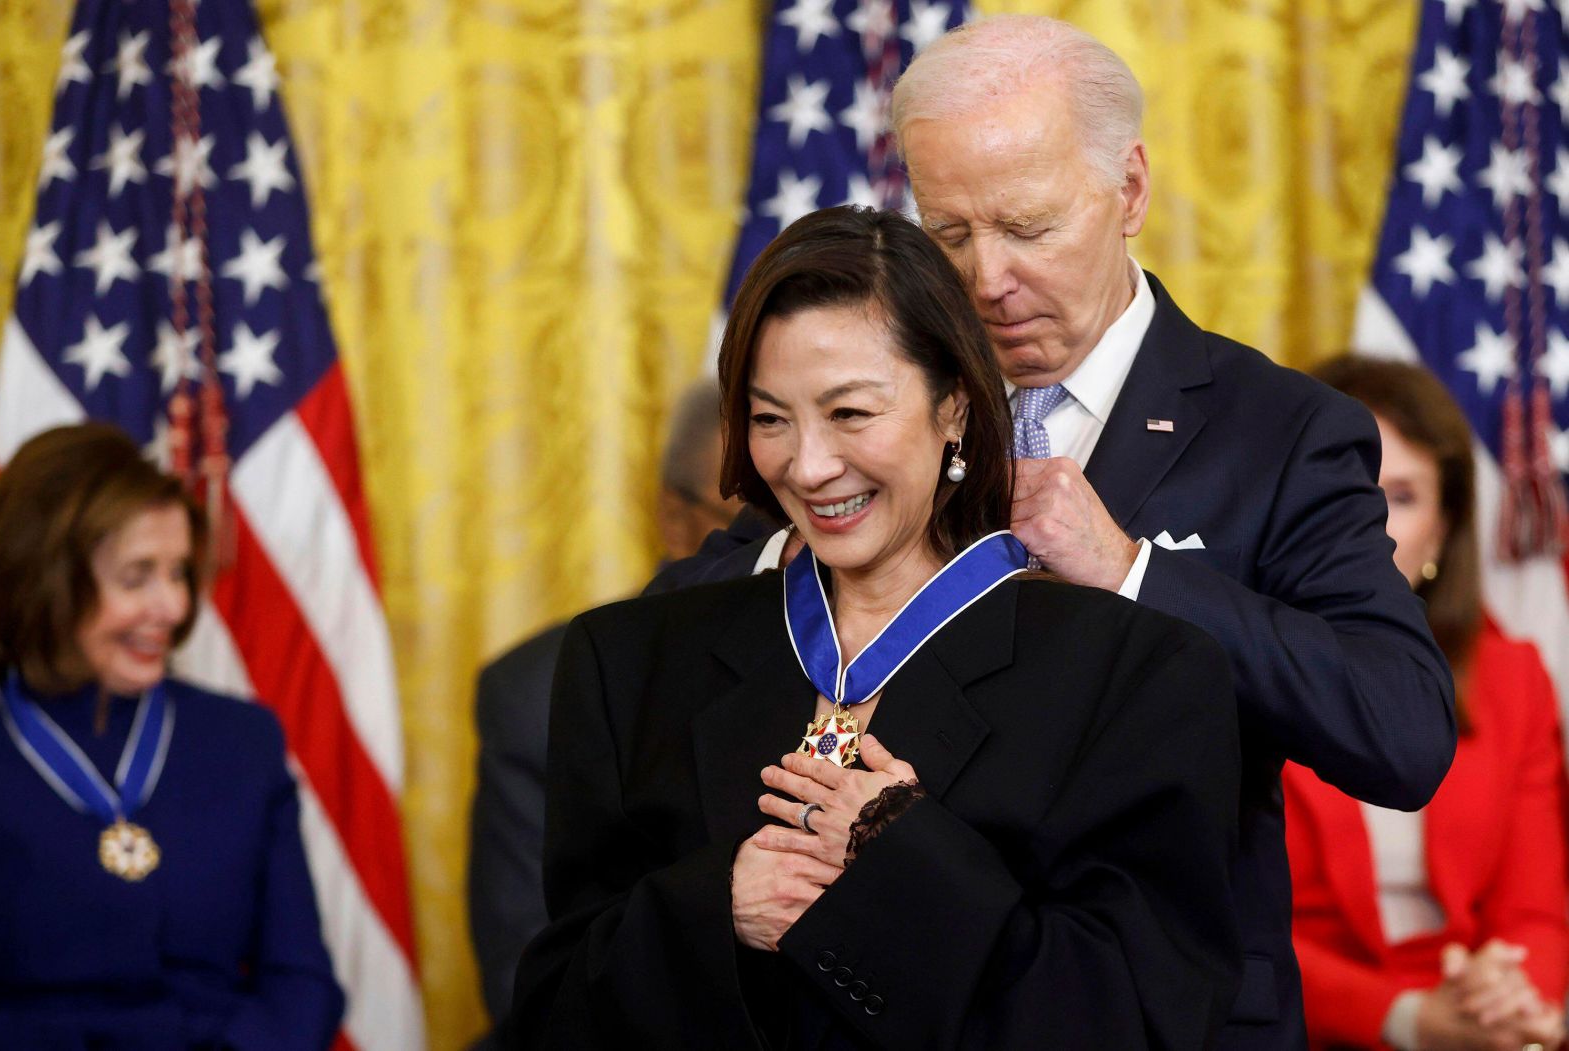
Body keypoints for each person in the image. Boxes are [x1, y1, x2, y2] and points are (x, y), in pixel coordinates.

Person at [659, 16, 1457, 1047]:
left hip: (1159, 1008)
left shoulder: (1278, 430)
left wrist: (1128, 573)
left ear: (1129, 190)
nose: (986, 279)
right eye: (948, 234)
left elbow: (1401, 729)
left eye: (1027, 228)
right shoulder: (879, 405)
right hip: (896, 1000)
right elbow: (690, 622)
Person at [506, 206, 1244, 1049]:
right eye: (771, 417)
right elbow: (551, 1012)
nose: (808, 464)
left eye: (851, 413)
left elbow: (1140, 1022)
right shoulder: (626, 661)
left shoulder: (1139, 672)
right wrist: (721, 907)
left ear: (956, 407)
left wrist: (899, 856)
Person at [0, 423, 343, 1049]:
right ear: (45, 578)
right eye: (137, 577)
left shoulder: (242, 741)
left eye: (178, 572)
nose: (174, 607)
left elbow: (301, 984)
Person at [1283, 356, 1568, 1051]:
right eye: (1347, 489)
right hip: (1299, 1025)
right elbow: (1213, 930)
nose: (1370, 523)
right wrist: (1407, 1019)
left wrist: (1510, 999)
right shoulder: (1224, 663)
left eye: (1403, 496)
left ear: (1443, 529)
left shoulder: (1511, 674)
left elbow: (1536, 909)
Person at [467, 379, 741, 1035]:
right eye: (748, 524)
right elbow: (527, 980)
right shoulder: (539, 694)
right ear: (674, 519)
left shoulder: (873, 665)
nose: (788, 547)